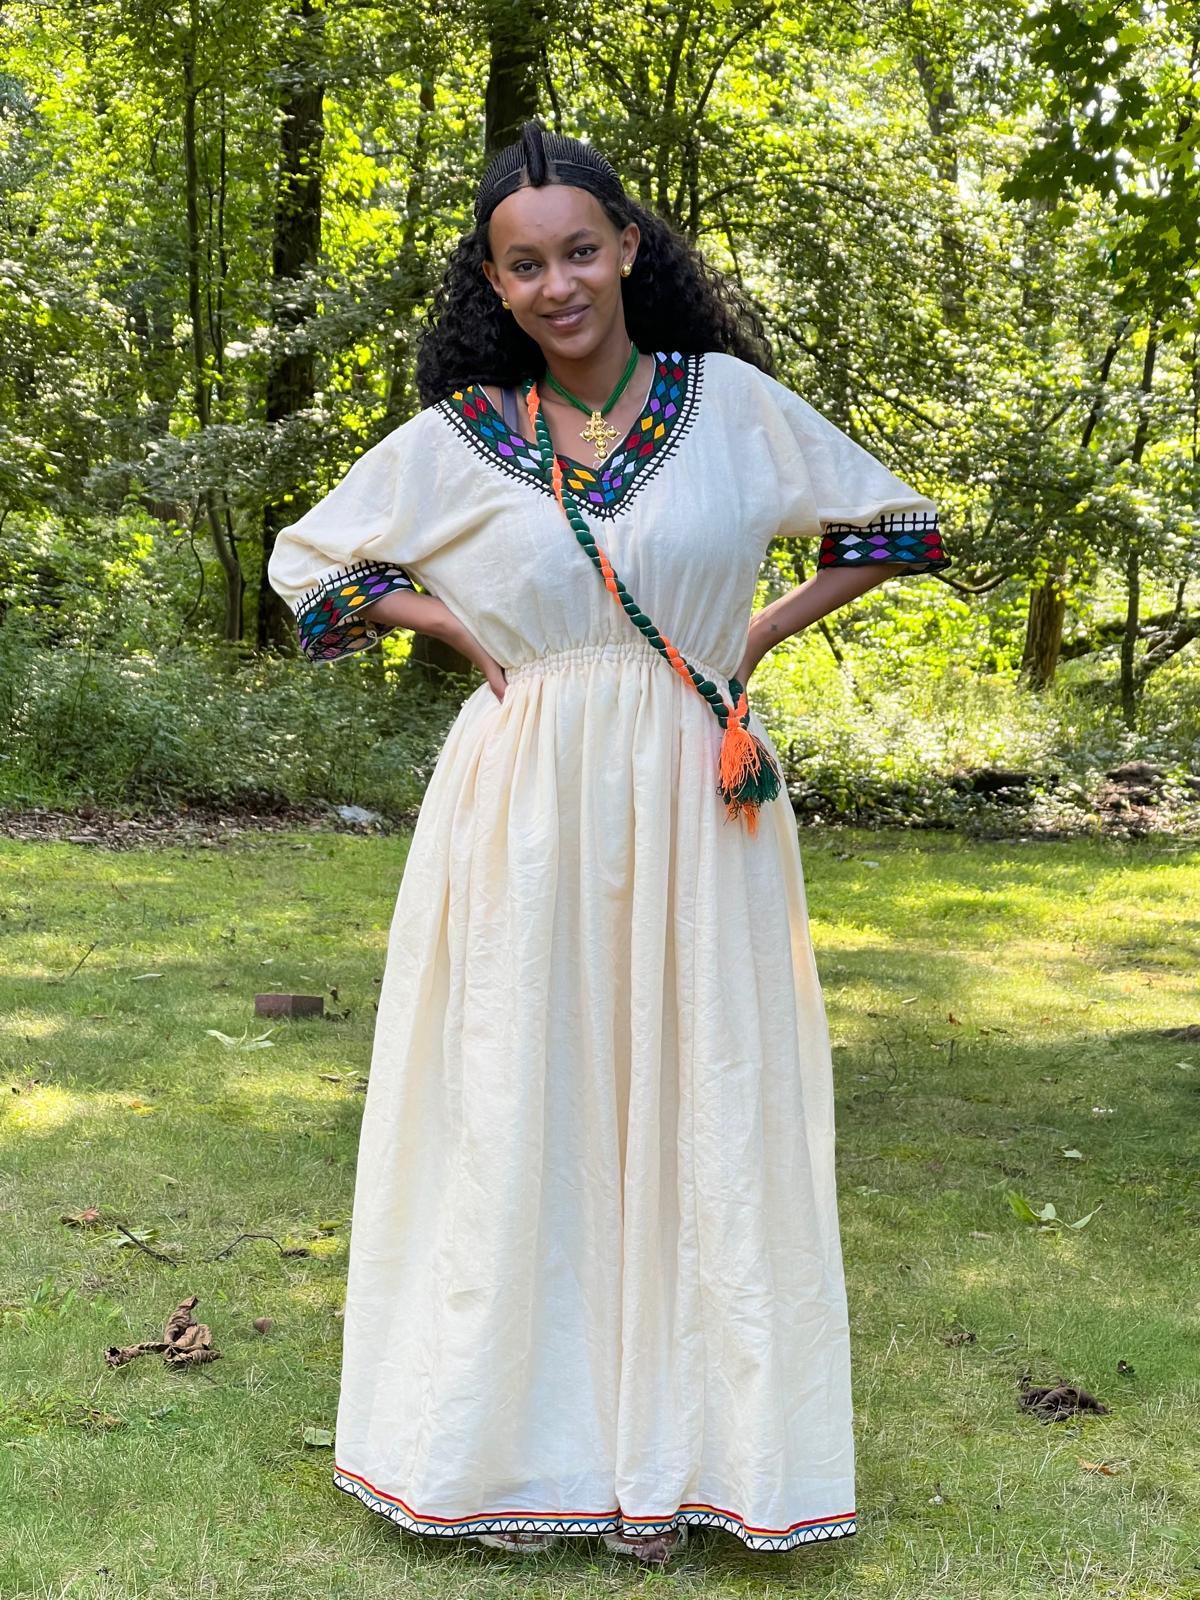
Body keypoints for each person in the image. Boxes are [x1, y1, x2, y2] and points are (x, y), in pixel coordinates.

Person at [267, 120, 947, 1568]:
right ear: (495, 284)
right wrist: (443, 619)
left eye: (581, 250)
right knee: (525, 1099)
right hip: (520, 808)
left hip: (700, 797)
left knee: (701, 1094)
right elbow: (311, 565)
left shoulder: (735, 407)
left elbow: (896, 526)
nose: (559, 284)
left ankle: (698, 1454)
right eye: (526, 265)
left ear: (631, 247)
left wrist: (748, 633)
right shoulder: (457, 443)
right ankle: (506, 1447)